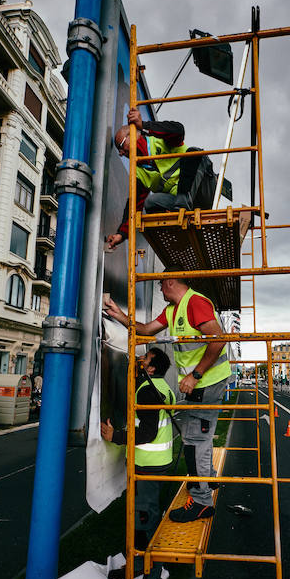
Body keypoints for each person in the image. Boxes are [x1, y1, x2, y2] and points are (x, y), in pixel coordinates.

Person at [105, 273, 231, 523]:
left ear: (171, 282)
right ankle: (207, 481)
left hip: (208, 381)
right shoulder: (173, 310)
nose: (160, 289)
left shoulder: (195, 302)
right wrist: (118, 314)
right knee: (196, 436)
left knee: (195, 440)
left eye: (160, 283)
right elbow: (145, 329)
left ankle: (202, 501)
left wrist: (195, 375)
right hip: (201, 383)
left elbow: (218, 340)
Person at [101, 347, 175, 579]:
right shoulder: (160, 385)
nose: (138, 361)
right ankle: (136, 565)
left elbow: (146, 432)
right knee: (138, 518)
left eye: (144, 360)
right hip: (156, 464)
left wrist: (115, 436)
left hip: (149, 467)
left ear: (151, 368)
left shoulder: (147, 391)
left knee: (147, 526)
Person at [106, 108, 190, 250]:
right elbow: (134, 204)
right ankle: (174, 237)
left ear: (133, 135)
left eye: (121, 146)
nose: (121, 153)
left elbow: (178, 130)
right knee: (150, 203)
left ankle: (182, 208)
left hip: (198, 189)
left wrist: (144, 125)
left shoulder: (159, 140)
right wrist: (121, 234)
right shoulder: (139, 172)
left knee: (194, 154)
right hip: (179, 205)